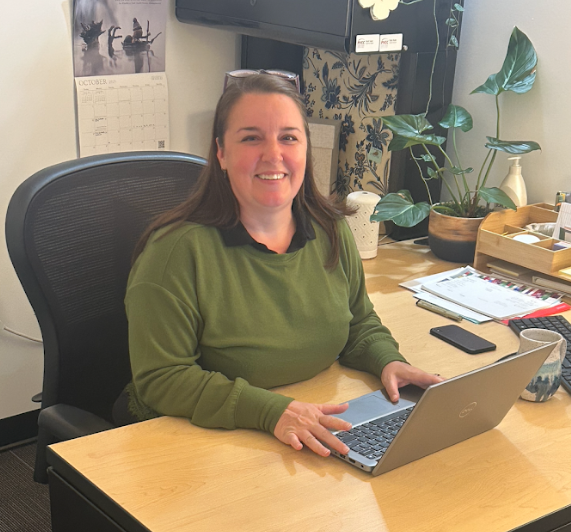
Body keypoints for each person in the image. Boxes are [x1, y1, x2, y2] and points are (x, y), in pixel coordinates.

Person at [120, 70, 442, 458]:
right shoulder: (174, 253)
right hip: (192, 443)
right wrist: (271, 412)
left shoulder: (331, 230)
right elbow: (162, 378)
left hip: (301, 428)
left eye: (289, 137)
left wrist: (389, 360)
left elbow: (358, 323)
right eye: (251, 138)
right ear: (221, 152)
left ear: (306, 149)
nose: (273, 155)